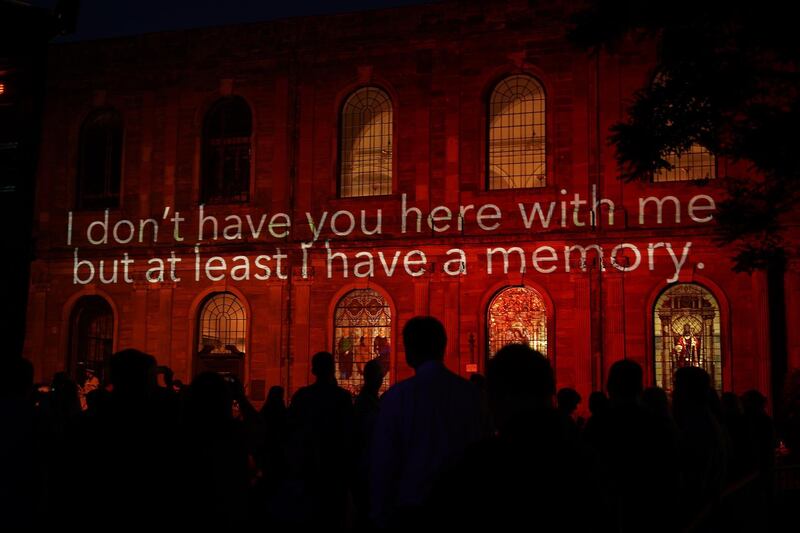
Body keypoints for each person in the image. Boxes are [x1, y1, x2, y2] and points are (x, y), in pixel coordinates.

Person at [369, 316, 483, 528]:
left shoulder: (396, 397)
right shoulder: (470, 394)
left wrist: (379, 514)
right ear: (442, 346)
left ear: (410, 352)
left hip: (411, 509)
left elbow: (383, 461)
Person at [286, 351, 354, 529]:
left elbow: (292, 431)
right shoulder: (342, 397)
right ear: (332, 369)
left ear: (313, 370)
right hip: (334, 470)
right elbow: (349, 435)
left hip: (308, 470)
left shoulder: (302, 396)